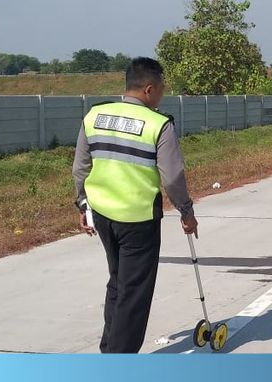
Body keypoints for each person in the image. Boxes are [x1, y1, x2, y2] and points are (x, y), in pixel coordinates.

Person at [72, 57, 198, 353]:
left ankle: (109, 348)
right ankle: (120, 361)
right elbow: (173, 176)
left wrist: (82, 205)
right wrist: (186, 212)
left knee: (117, 281)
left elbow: (80, 166)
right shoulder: (158, 124)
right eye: (162, 88)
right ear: (149, 89)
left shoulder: (95, 115)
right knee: (135, 291)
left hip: (102, 214)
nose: (163, 94)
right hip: (138, 219)